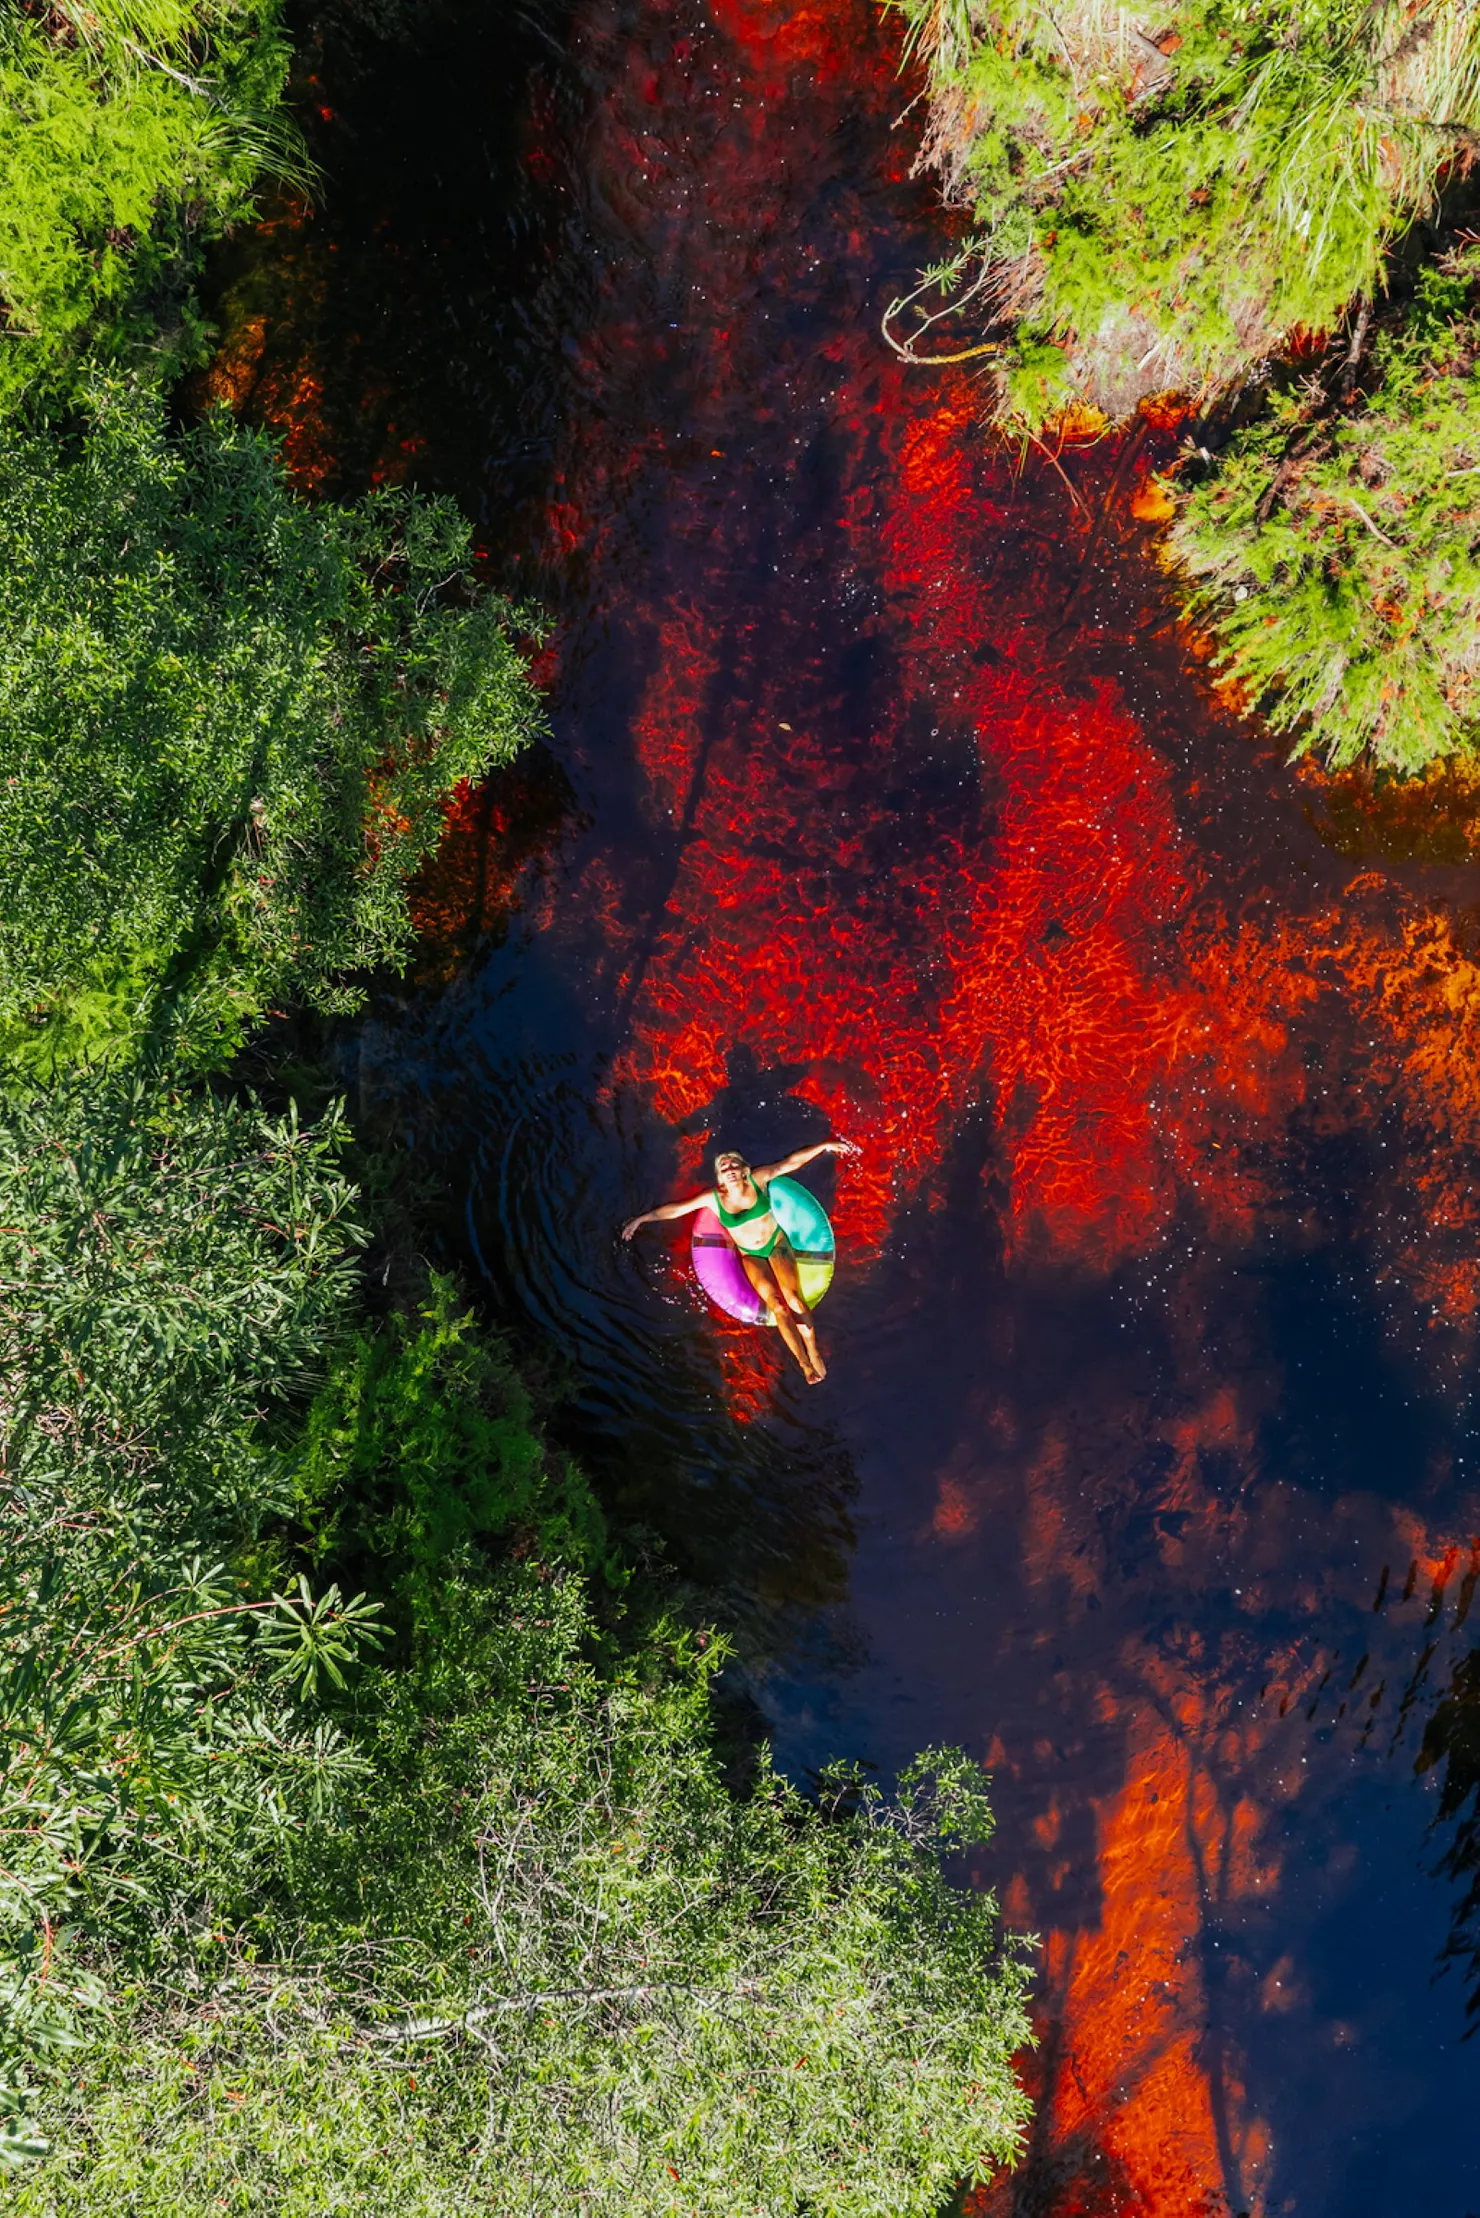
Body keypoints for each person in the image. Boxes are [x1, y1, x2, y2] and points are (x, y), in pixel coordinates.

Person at [623, 1139, 855, 1384]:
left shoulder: (758, 1179)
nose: (730, 1168)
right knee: (776, 1305)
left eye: (734, 1163)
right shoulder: (713, 1198)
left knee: (794, 1298)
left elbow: (790, 1162)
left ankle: (813, 1350)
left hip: (777, 1244)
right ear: (720, 1177)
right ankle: (804, 1364)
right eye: (724, 1167)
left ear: (744, 1168)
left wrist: (824, 1146)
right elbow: (676, 1209)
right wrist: (641, 1220)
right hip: (750, 1255)